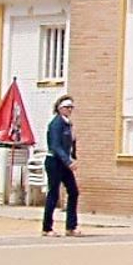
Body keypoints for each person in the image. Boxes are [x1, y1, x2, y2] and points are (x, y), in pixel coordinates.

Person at [42, 94, 79, 236]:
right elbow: (56, 145)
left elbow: (70, 143)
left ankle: (71, 226)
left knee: (73, 192)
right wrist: (68, 161)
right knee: (53, 193)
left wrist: (73, 155)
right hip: (54, 161)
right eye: (67, 107)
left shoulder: (68, 124)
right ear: (60, 108)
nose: (70, 110)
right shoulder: (56, 124)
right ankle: (47, 227)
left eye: (71, 107)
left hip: (64, 162)